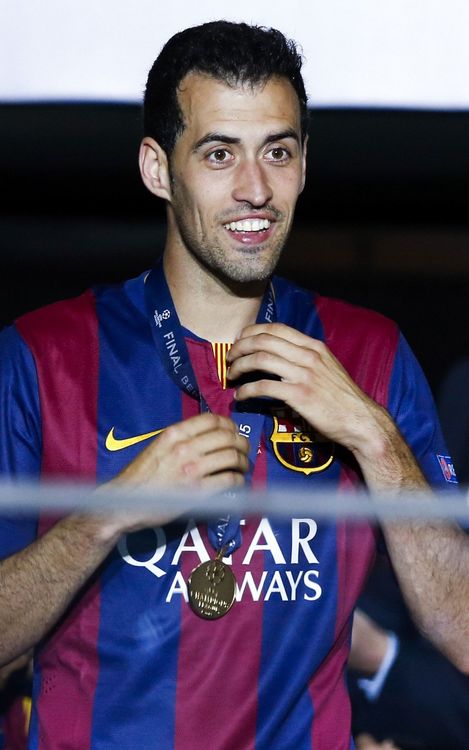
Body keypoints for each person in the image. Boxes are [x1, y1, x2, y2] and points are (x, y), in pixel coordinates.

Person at [0, 20, 468, 750]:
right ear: (158, 169)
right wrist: (105, 517)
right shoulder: (41, 356)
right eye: (219, 154)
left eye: (277, 152)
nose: (255, 189)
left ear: (304, 165)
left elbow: (461, 629)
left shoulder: (368, 353)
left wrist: (373, 438)